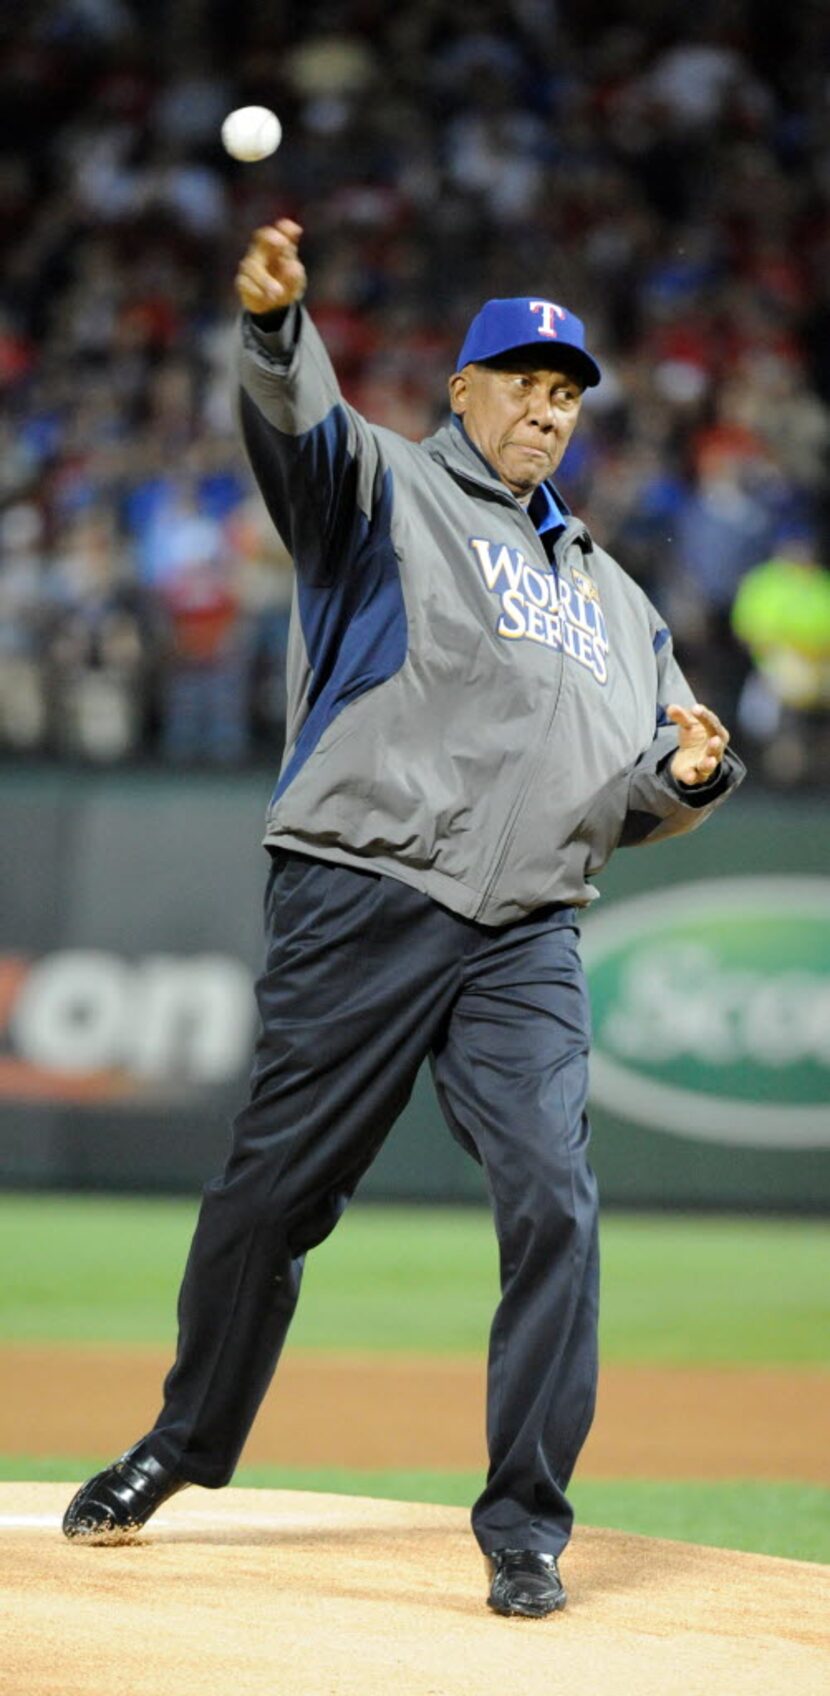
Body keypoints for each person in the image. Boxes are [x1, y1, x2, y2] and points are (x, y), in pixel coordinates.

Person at [62, 220, 745, 1618]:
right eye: (522, 379)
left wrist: (689, 780)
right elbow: (296, 430)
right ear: (462, 388)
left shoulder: (617, 603)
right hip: (365, 890)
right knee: (271, 1201)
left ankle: (524, 1524)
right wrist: (272, 330)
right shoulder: (376, 488)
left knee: (553, 1199)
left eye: (567, 391)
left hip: (527, 935)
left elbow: (627, 792)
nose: (547, 406)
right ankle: (183, 1445)